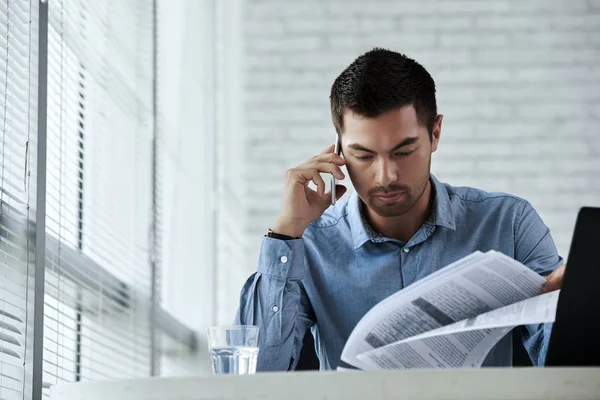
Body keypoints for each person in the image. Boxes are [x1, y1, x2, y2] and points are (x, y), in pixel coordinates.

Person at [235, 48, 565, 371]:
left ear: (435, 133)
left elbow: (570, 367)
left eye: (404, 151)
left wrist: (575, 306)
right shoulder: (311, 244)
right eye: (363, 156)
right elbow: (257, 375)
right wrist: (286, 230)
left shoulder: (509, 224)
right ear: (338, 149)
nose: (386, 176)